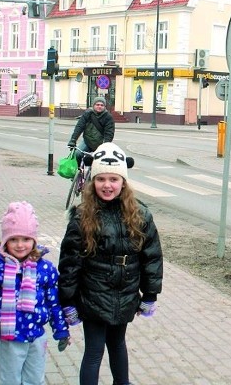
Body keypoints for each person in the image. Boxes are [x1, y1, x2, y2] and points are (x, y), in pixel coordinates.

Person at [58, 143, 163, 385]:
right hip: (93, 295)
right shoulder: (82, 216)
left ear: (123, 182)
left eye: (114, 179)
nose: (107, 185)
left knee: (118, 345)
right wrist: (68, 300)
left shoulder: (140, 214)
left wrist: (150, 294)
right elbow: (70, 262)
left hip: (125, 294)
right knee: (94, 351)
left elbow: (152, 256)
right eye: (101, 179)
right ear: (92, 181)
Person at [0, 201, 70, 384]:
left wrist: (61, 330)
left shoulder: (44, 269)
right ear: (4, 241)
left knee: (35, 379)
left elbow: (53, 302)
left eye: (26, 239)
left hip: (37, 337)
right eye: (13, 239)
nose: (20, 245)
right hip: (9, 339)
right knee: (9, 380)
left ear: (34, 240)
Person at [67, 96, 116, 166]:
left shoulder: (108, 117)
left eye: (102, 105)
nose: (99, 107)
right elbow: (79, 127)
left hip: (100, 144)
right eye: (97, 105)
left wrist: (105, 145)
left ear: (105, 107)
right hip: (87, 142)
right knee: (78, 154)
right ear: (93, 105)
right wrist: (73, 140)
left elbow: (109, 133)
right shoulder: (87, 114)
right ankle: (79, 171)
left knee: (100, 162)